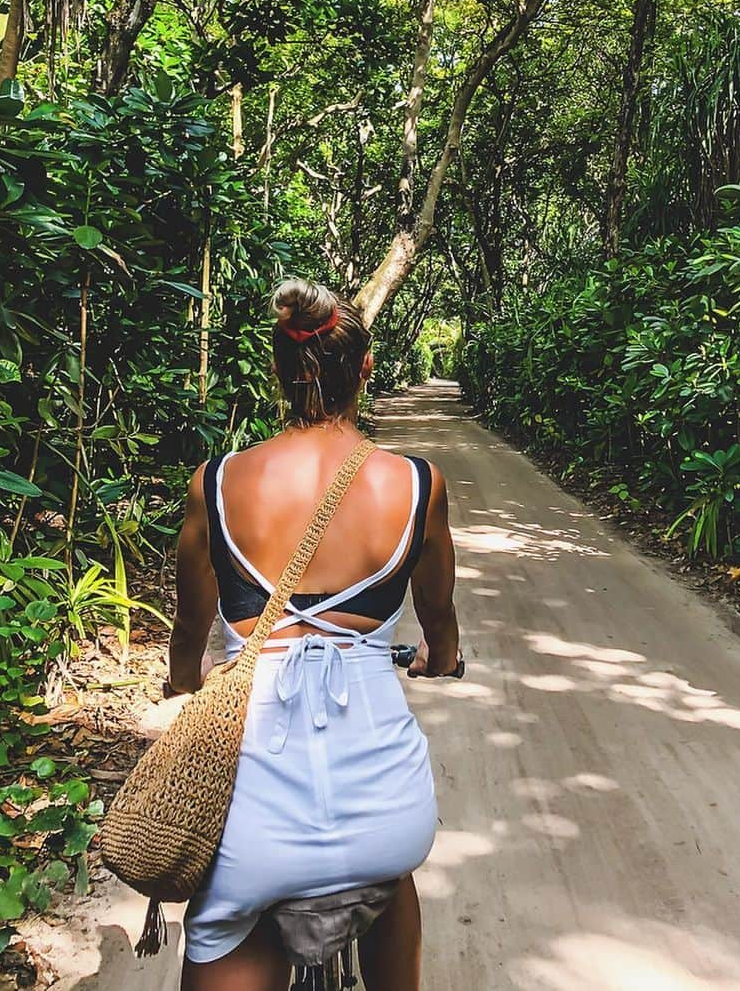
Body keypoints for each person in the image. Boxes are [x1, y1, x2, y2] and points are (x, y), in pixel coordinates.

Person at [166, 278, 462, 991]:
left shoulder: (217, 482)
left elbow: (189, 624)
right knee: (389, 880)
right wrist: (440, 660)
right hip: (387, 816)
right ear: (366, 368)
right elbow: (441, 622)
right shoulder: (419, 485)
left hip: (250, 827)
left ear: (275, 367)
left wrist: (183, 681)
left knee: (222, 923)